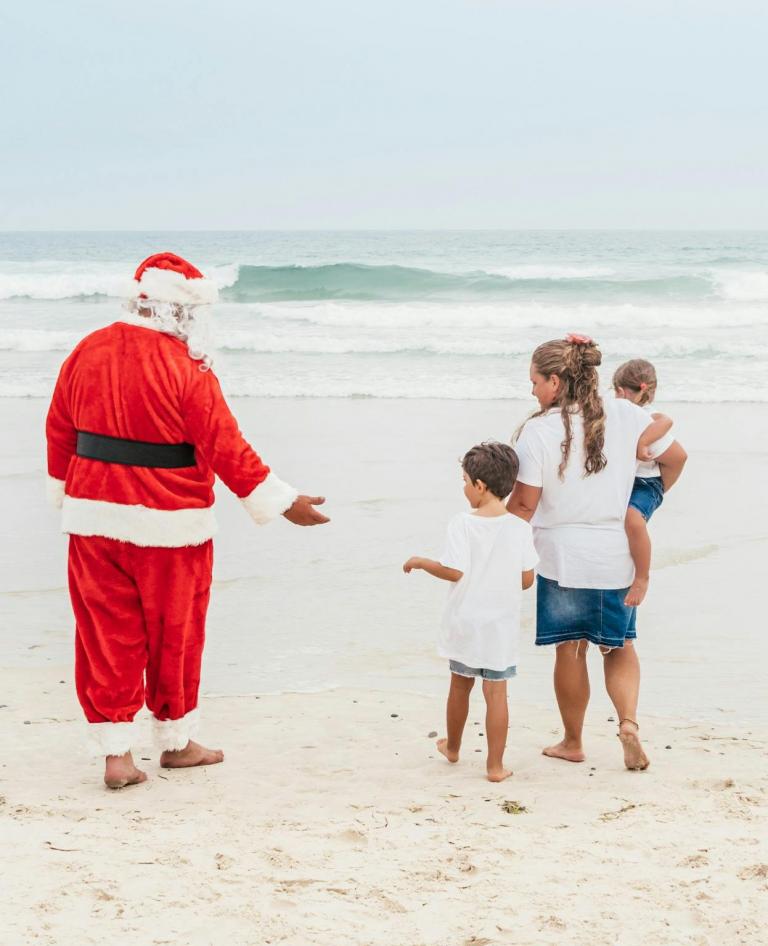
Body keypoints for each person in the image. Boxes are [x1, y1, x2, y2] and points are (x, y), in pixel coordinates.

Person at [46, 252, 329, 789]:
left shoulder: (86, 350)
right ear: (183, 312)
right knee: (174, 633)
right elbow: (226, 446)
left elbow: (59, 425)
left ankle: (117, 757)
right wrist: (282, 501)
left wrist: (63, 488)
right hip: (170, 524)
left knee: (106, 635)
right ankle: (175, 744)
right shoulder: (187, 367)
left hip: (92, 519)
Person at [507, 335, 687, 771]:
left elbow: (525, 505)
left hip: (562, 559)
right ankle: (627, 724)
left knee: (570, 649)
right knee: (620, 646)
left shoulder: (538, 430)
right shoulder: (626, 414)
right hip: (615, 557)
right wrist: (644, 505)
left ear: (555, 380)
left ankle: (573, 741)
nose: (531, 390)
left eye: (534, 381)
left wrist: (497, 543)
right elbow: (676, 456)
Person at [403, 442, 537, 782]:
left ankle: (453, 748)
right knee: (496, 693)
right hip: (500, 626)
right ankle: (494, 766)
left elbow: (453, 570)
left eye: (465, 481)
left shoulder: (462, 524)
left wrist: (421, 562)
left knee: (459, 686)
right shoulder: (520, 528)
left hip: (466, 622)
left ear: (480, 486)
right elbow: (526, 579)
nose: (463, 488)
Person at [613, 358, 686, 606]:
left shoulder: (649, 419)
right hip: (627, 480)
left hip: (647, 483)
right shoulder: (624, 416)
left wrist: (661, 490)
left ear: (621, 391)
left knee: (632, 520)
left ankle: (642, 577)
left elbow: (678, 453)